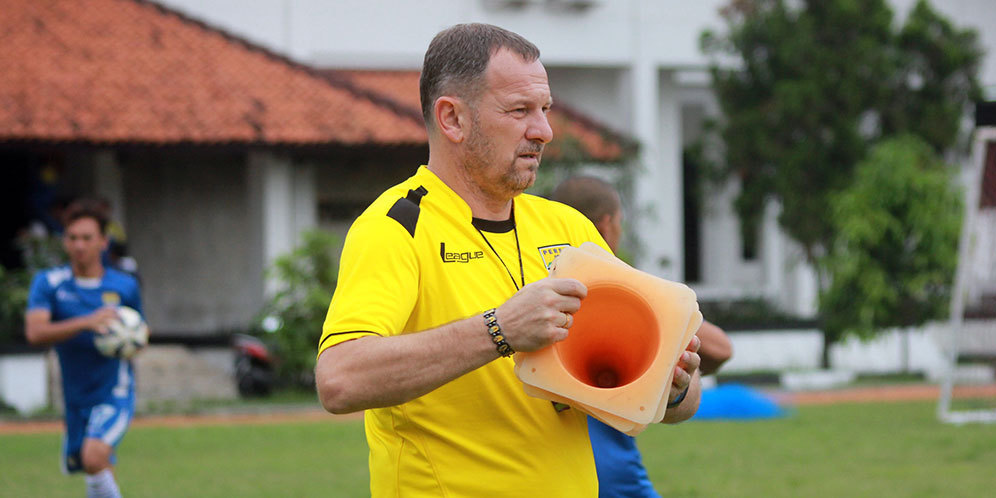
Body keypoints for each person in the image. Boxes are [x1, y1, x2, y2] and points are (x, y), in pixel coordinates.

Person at [315, 23, 702, 497]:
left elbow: (673, 404)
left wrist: (674, 380)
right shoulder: (396, 227)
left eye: (544, 110)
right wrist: (499, 329)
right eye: (519, 110)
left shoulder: (570, 229)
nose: (544, 131)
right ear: (452, 119)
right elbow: (339, 379)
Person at [552, 175, 733, 498]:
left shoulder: (532, 287)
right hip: (615, 482)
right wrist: (661, 303)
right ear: (606, 226)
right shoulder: (627, 293)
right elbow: (720, 347)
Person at [24, 199, 143, 498]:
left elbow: (137, 330)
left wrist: (131, 340)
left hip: (113, 390)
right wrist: (86, 322)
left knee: (94, 457)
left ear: (103, 242)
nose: (79, 245)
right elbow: (35, 332)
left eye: (87, 238)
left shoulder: (125, 286)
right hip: (76, 396)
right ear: (64, 241)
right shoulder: (49, 283)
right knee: (96, 465)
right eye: (73, 237)